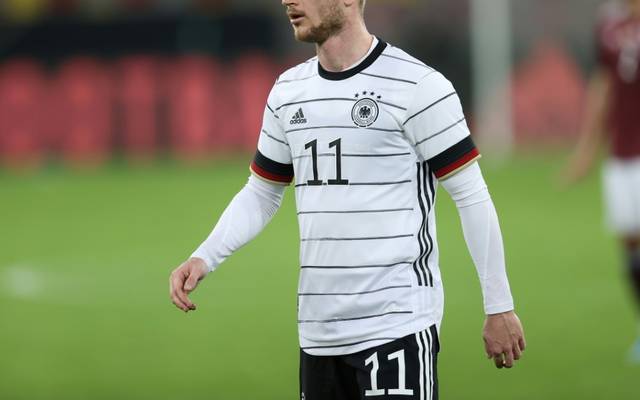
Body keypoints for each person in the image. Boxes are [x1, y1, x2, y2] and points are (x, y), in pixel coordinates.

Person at [169, 0, 526, 398]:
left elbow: (471, 195)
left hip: (396, 327)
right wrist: (205, 256)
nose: (288, 0)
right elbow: (262, 192)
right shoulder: (288, 91)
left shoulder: (418, 86)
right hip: (318, 335)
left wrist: (499, 305)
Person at [564, 0, 640, 362]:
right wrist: (586, 150)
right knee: (630, 245)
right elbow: (603, 86)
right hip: (622, 154)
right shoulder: (610, 27)